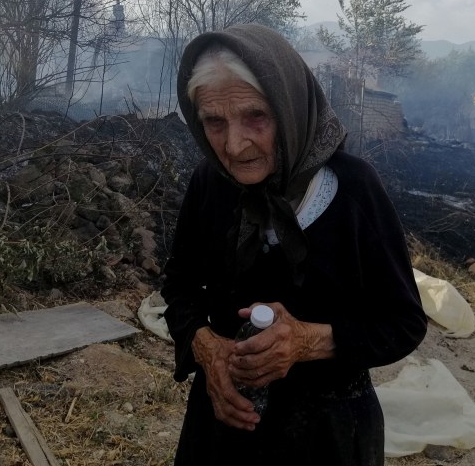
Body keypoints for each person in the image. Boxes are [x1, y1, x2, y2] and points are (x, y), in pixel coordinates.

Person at [162, 24, 428, 466]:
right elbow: (180, 286)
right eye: (214, 121)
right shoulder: (210, 183)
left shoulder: (353, 189)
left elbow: (402, 322)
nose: (234, 144)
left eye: (256, 116)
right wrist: (206, 347)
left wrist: (309, 341)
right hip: (224, 427)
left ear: (289, 108)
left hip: (327, 436)